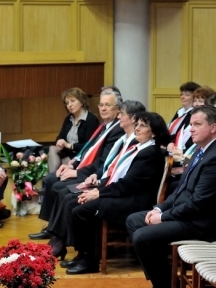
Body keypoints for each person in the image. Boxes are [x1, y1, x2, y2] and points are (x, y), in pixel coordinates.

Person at [127, 105, 216, 288]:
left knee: (143, 236)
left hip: (206, 224)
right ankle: (166, 285)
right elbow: (182, 190)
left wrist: (164, 217)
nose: (191, 129)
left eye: (197, 124)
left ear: (213, 127)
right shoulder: (203, 149)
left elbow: (199, 203)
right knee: (134, 220)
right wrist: (160, 209)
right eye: (190, 124)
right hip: (192, 215)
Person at [64, 112, 170, 274]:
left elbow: (128, 184)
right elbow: (117, 177)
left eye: (143, 126)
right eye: (137, 124)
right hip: (125, 195)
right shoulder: (139, 148)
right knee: (74, 203)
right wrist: (97, 189)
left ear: (154, 132)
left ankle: (90, 261)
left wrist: (99, 193)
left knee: (81, 211)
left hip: (134, 202)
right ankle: (82, 254)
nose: (137, 128)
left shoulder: (150, 153)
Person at [46, 99, 144, 258]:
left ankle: (80, 252)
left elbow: (124, 178)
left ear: (133, 118)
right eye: (101, 105)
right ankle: (61, 241)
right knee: (65, 192)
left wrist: (99, 187)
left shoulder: (135, 144)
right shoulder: (123, 138)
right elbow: (108, 164)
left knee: (70, 198)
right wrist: (95, 176)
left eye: (121, 113)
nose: (119, 117)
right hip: (103, 181)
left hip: (116, 193)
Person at [29, 88, 124, 240]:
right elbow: (88, 150)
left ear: (118, 109)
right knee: (51, 179)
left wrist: (78, 172)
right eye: (101, 105)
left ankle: (57, 234)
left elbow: (103, 161)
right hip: (83, 165)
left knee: (59, 187)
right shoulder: (104, 126)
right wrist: (72, 166)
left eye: (108, 105)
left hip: (94, 175)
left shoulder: (115, 129)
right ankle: (52, 227)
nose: (103, 108)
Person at [48, 87, 100, 173]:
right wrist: (59, 141)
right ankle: (51, 177)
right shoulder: (69, 118)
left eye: (72, 101)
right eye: (67, 103)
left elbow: (89, 145)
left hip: (80, 154)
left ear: (82, 101)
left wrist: (70, 145)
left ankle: (53, 177)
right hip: (67, 151)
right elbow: (61, 136)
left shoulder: (91, 120)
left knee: (63, 162)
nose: (69, 105)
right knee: (52, 149)